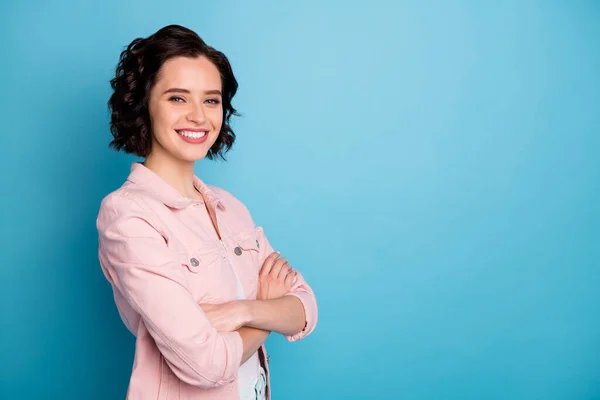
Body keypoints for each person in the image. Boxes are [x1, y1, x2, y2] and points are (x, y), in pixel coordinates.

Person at [96, 24, 318, 400]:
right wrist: (265, 314)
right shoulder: (127, 216)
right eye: (178, 98)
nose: (198, 116)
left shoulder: (230, 207)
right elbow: (205, 364)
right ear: (144, 104)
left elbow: (305, 309)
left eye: (211, 100)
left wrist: (240, 311)